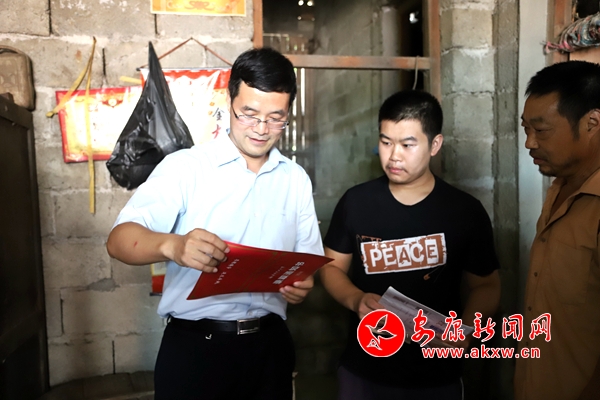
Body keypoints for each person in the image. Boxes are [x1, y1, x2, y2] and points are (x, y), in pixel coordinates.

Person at [106, 47, 323, 400]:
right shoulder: (186, 168)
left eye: (275, 118)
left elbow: (305, 266)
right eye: (249, 114)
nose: (261, 129)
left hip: (270, 348)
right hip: (196, 351)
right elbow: (118, 241)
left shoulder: (295, 179)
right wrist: (173, 246)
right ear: (229, 100)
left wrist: (301, 284)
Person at [320, 90, 501, 400]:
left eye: (407, 145)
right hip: (364, 369)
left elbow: (487, 285)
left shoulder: (465, 211)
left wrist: (465, 330)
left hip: (437, 375)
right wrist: (355, 298)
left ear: (435, 145)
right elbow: (331, 267)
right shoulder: (356, 202)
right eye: (386, 142)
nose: (394, 156)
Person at [515, 60, 600, 400]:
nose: (529, 143)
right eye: (525, 129)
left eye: (542, 130)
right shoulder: (558, 188)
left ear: (592, 123)